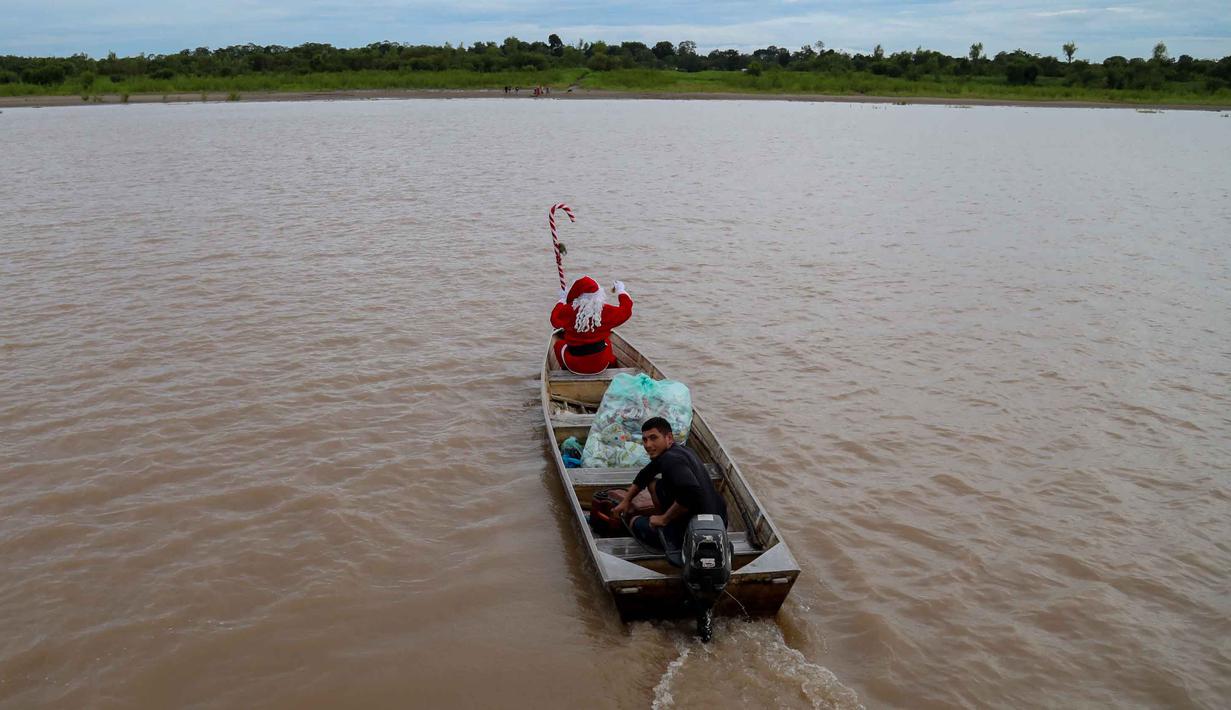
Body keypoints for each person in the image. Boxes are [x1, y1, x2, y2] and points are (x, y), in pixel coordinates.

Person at [612, 417, 728, 552]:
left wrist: (664, 519)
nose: (648, 445)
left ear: (669, 438)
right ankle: (668, 519)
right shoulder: (682, 451)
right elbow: (645, 475)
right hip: (719, 524)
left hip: (692, 536)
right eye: (645, 440)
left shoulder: (670, 460)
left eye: (654, 438)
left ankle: (666, 525)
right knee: (653, 483)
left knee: (634, 521)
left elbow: (691, 492)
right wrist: (626, 500)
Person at [551, 275, 632, 375]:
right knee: (607, 341)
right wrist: (621, 291)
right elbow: (626, 310)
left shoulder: (568, 310)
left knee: (558, 345)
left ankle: (565, 371)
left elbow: (554, 320)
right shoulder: (605, 311)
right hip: (601, 364)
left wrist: (562, 300)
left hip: (574, 365)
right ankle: (612, 365)